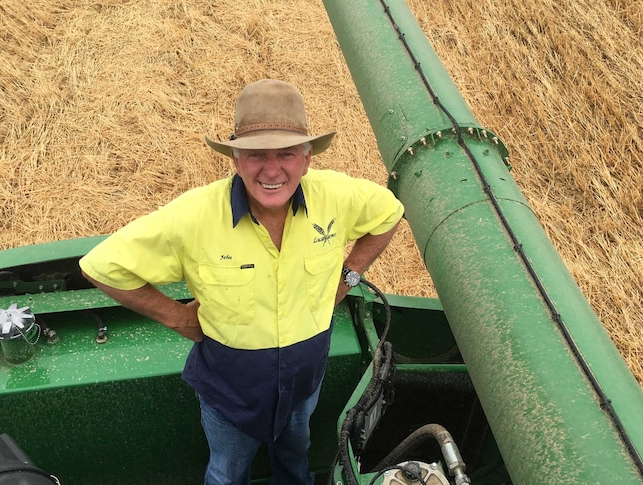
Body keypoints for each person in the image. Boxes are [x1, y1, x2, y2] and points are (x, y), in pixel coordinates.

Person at [79, 79, 404, 485]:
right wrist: (178, 318)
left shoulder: (336, 197)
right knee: (227, 473)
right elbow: (102, 266)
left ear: (307, 159)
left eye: (286, 153)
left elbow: (389, 213)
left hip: (304, 387)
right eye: (255, 155)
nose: (272, 170)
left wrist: (349, 276)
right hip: (231, 400)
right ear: (235, 158)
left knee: (296, 460)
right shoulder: (193, 217)